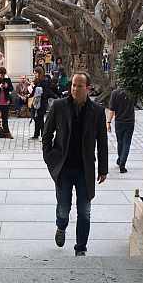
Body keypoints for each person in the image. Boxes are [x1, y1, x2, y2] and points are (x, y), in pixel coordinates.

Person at [42, 72, 108, 256]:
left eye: (79, 86)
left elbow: (102, 142)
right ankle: (61, 226)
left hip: (84, 169)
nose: (75, 89)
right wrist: (49, 158)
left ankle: (81, 248)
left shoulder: (97, 111)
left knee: (84, 211)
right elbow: (47, 134)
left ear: (88, 88)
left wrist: (103, 169)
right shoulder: (59, 106)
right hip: (63, 167)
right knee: (64, 207)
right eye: (73, 85)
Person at [107, 85, 136, 173]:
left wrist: (108, 122)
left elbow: (111, 109)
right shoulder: (132, 92)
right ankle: (122, 163)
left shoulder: (115, 93)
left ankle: (120, 160)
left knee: (120, 142)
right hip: (130, 121)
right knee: (126, 143)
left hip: (119, 122)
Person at [30, 66, 56, 140]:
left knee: (40, 119)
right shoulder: (37, 81)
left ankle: (43, 135)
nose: (34, 74)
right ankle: (36, 134)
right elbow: (34, 91)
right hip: (36, 102)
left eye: (35, 73)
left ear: (39, 73)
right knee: (36, 118)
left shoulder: (44, 81)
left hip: (41, 103)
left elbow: (47, 92)